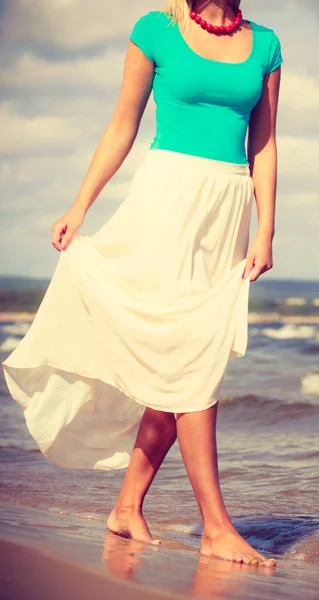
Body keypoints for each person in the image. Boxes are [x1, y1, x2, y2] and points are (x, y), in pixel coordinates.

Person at [2, 0, 282, 567]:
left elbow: (265, 142)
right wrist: (81, 205)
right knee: (191, 362)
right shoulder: (156, 29)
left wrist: (266, 229)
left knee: (182, 364)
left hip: (227, 211)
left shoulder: (267, 45)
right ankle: (215, 528)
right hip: (166, 202)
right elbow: (122, 124)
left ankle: (127, 507)